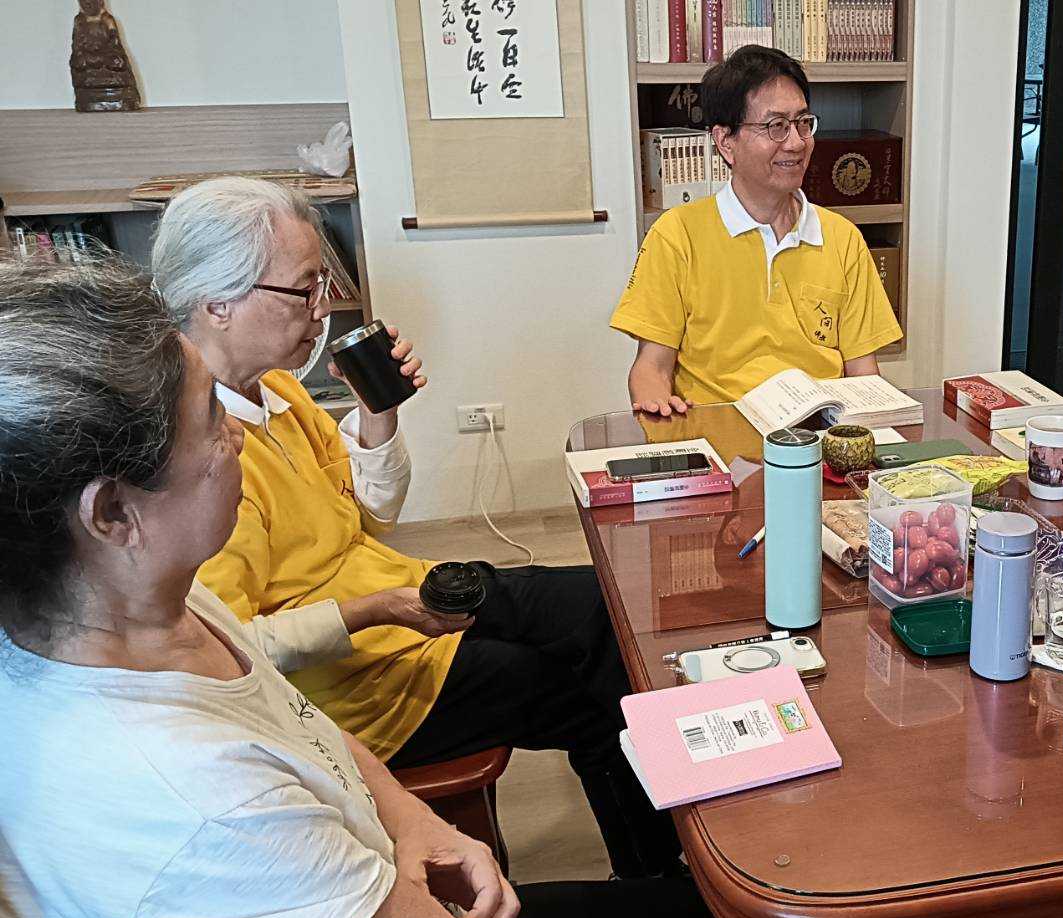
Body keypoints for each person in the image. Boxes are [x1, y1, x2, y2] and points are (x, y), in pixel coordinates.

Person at [0, 258, 720, 918]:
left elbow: (302, 721)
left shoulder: (166, 605)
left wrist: (410, 819)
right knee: (682, 907)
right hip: (413, 879)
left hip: (394, 854)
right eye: (212, 419)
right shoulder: (207, 807)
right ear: (113, 513)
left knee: (597, 625)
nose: (237, 434)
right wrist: (375, 614)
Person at [151, 177, 680, 879]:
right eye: (304, 289)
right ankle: (659, 882)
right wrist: (375, 609)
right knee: (588, 692)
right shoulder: (196, 458)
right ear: (217, 302)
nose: (323, 308)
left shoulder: (275, 389)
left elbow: (372, 513)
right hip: (360, 686)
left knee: (605, 605)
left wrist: (379, 414)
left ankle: (667, 858)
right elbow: (235, 648)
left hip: (403, 601)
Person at [612, 44, 903, 416]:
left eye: (803, 122)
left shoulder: (842, 238)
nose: (796, 142)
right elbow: (651, 367)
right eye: (775, 126)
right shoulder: (677, 235)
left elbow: (863, 374)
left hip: (816, 436)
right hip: (717, 432)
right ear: (725, 142)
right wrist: (658, 407)